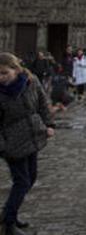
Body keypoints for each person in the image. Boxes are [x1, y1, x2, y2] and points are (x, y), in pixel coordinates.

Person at [0, 53, 54, 235]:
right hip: (11, 142)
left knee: (30, 177)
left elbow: (42, 103)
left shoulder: (32, 82)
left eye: (4, 73)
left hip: (32, 135)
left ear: (16, 69)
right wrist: (3, 146)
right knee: (22, 181)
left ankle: (10, 213)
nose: (1, 78)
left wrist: (49, 124)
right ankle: (8, 223)